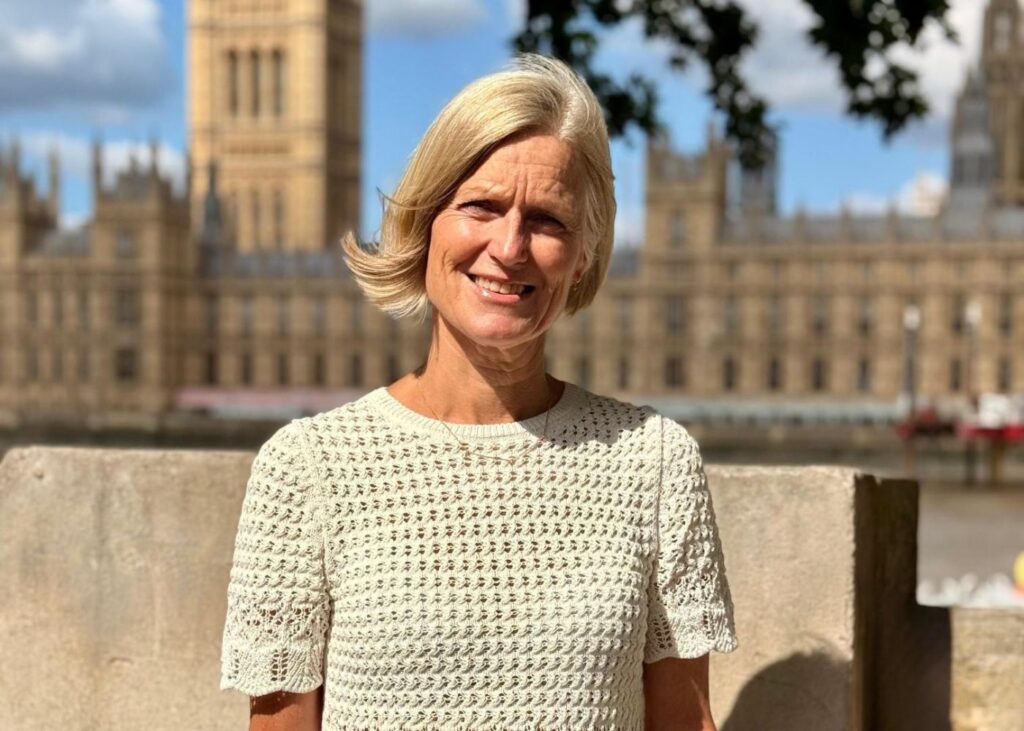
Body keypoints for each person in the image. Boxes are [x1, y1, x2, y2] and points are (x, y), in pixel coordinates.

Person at [220, 53, 738, 731]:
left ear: (584, 251)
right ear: (424, 221)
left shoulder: (657, 464)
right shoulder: (306, 469)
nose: (510, 245)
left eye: (549, 220)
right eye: (481, 207)